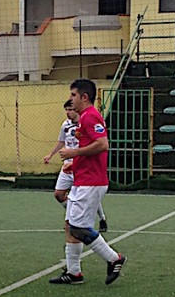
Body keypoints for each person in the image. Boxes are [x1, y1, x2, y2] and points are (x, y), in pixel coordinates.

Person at [51, 79, 126, 285]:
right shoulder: (85, 117)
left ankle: (114, 258)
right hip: (83, 178)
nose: (70, 99)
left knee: (77, 228)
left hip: (91, 182)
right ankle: (74, 273)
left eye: (73, 95)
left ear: (84, 97)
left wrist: (73, 153)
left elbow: (102, 144)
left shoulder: (91, 116)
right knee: (70, 225)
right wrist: (74, 164)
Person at [44, 100, 108, 232]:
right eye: (66, 110)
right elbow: (61, 141)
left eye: (70, 110)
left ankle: (99, 218)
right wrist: (51, 154)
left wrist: (76, 155)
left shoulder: (87, 121)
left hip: (82, 165)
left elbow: (100, 144)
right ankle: (73, 219)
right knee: (59, 194)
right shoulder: (65, 125)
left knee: (87, 196)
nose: (68, 113)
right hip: (67, 165)